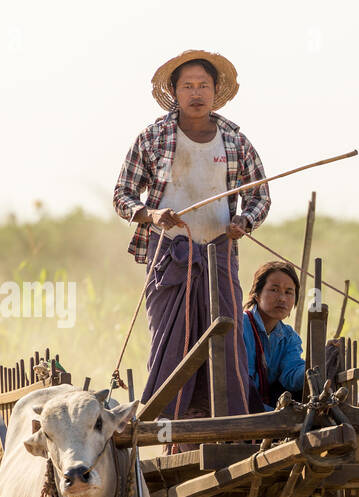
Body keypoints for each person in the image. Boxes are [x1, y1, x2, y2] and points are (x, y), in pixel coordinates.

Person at [113, 49, 271, 435]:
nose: (196, 93)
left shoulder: (235, 140)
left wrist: (243, 222)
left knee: (226, 337)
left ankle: (233, 429)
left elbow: (260, 197)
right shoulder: (153, 138)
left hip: (220, 251)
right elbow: (122, 194)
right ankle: (168, 431)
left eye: (204, 85)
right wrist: (151, 215)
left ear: (216, 92)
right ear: (175, 92)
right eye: (188, 86)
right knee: (172, 341)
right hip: (169, 254)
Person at [241, 261, 308, 407]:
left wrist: (317, 364)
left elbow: (291, 375)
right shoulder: (240, 327)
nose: (282, 298)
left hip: (271, 409)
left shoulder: (289, 338)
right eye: (274, 290)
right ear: (257, 295)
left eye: (289, 292)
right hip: (243, 407)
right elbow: (240, 383)